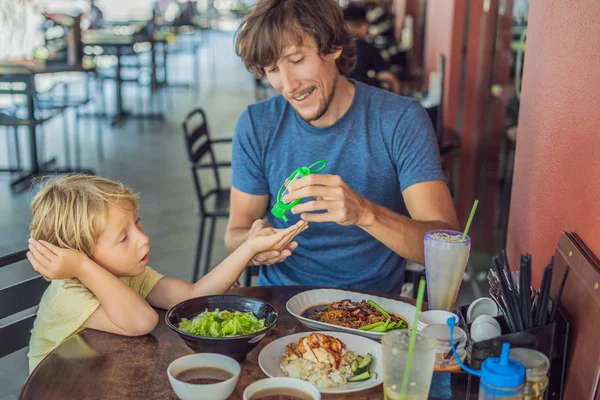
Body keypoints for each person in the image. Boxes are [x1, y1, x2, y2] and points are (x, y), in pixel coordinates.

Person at [226, 0, 458, 294]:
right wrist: (252, 246)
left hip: (371, 309)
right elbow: (235, 233)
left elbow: (446, 247)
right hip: (282, 304)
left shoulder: (400, 119)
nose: (288, 85)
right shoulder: (256, 124)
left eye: (297, 60)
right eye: (272, 69)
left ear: (334, 46)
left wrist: (364, 213)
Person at [26, 175, 307, 372]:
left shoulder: (125, 273)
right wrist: (84, 267)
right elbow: (141, 321)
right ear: (80, 256)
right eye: (123, 238)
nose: (143, 239)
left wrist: (248, 248)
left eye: (137, 223)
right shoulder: (68, 295)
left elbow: (192, 296)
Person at [343, 2, 401, 94]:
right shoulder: (367, 47)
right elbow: (388, 79)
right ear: (364, 26)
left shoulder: (331, 47)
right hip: (360, 98)